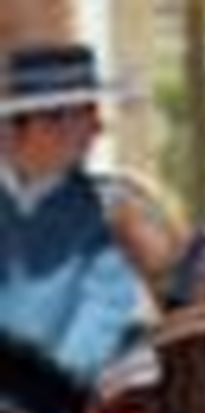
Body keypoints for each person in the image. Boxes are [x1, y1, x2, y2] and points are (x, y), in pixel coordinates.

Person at [0, 39, 161, 392]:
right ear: (38, 125)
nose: (98, 130)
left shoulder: (111, 209)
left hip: (57, 401)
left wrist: (45, 390)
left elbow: (102, 312)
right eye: (85, 114)